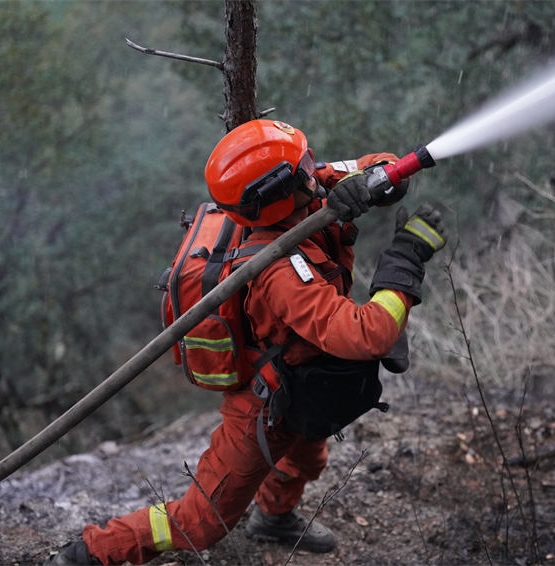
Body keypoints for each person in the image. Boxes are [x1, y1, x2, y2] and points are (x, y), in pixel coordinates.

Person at [50, 119, 446, 565]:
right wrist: (406, 257)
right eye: (306, 166)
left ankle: (274, 519)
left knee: (306, 457)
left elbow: (374, 166)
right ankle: (89, 553)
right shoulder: (278, 270)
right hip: (266, 402)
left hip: (304, 379)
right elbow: (366, 333)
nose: (317, 169)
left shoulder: (294, 193)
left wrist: (383, 182)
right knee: (200, 523)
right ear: (280, 190)